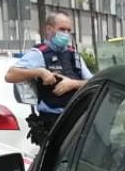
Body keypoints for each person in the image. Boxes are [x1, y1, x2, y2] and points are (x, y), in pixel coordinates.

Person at [5, 12, 91, 147]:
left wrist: (73, 84)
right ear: (49, 29)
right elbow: (10, 75)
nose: (66, 34)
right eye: (62, 29)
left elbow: (93, 82)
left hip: (77, 118)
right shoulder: (39, 53)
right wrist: (40, 72)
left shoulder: (73, 54)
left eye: (69, 30)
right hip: (53, 122)